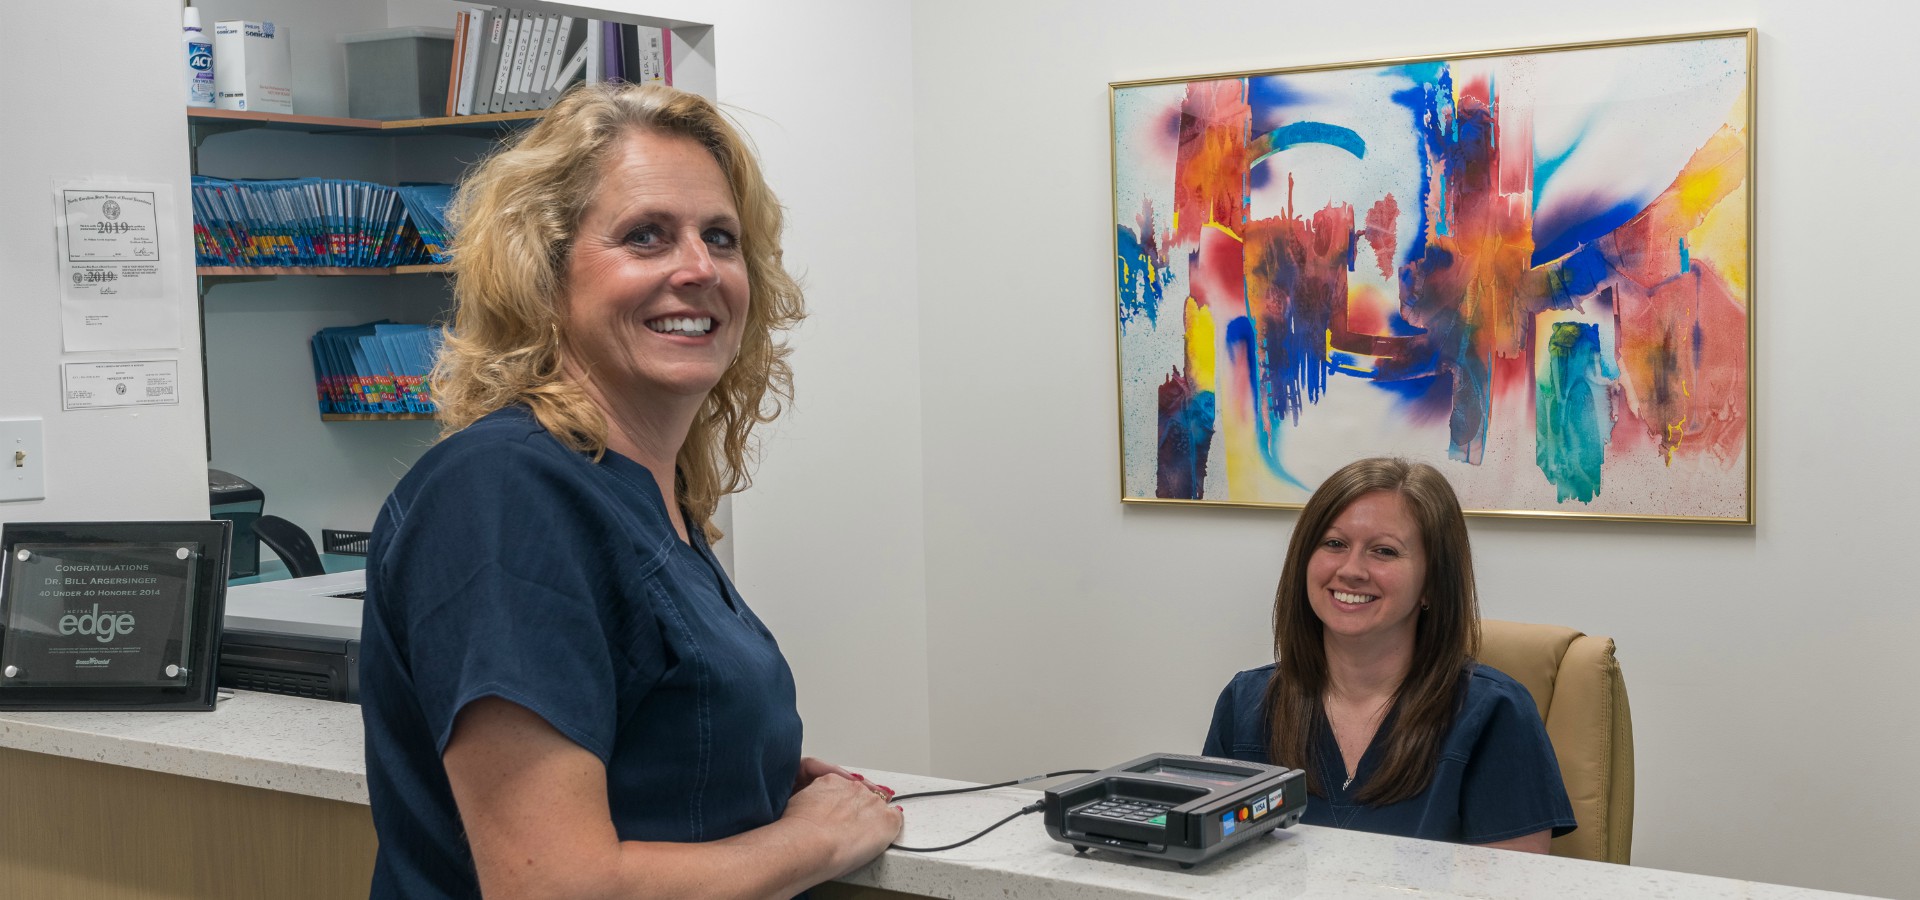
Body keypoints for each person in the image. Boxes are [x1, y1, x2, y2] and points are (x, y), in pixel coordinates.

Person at [358, 82, 902, 899]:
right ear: (544, 274)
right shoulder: (504, 492)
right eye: (645, 237)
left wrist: (751, 770)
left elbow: (632, 727)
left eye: (721, 238)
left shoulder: (649, 493)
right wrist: (811, 841)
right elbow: (556, 887)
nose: (697, 269)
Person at [1202, 457, 1575, 851]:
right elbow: (1206, 871)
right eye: (1334, 543)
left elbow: (1511, 891)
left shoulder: (1496, 716)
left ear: (1432, 583)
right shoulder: (1245, 705)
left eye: (1384, 551)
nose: (1351, 569)